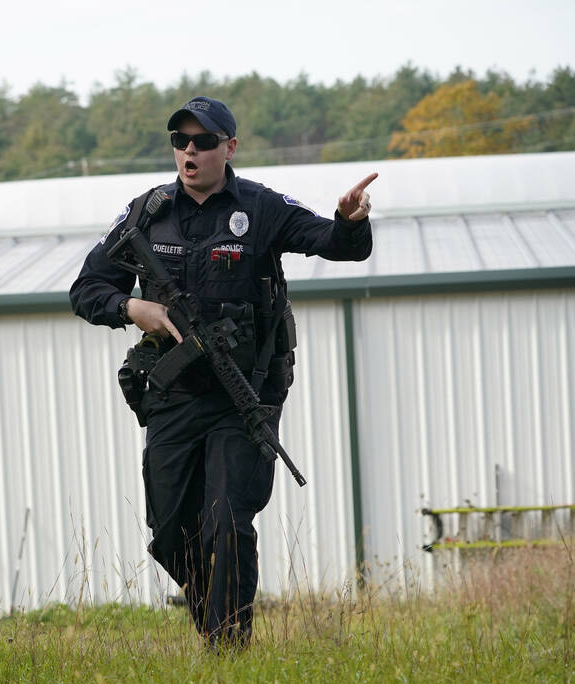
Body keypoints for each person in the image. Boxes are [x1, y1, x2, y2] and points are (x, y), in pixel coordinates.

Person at [69, 96, 376, 647]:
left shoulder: (260, 208)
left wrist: (350, 221)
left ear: (228, 148)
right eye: (180, 141)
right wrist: (131, 309)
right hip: (174, 396)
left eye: (204, 141)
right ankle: (215, 619)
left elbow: (333, 245)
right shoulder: (146, 212)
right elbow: (86, 288)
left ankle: (229, 648)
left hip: (246, 397)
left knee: (227, 522)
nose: (190, 150)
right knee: (169, 535)